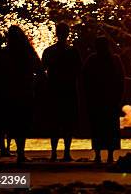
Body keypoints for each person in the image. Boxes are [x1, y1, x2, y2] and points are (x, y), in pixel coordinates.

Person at [0, 25, 43, 163]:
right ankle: (20, 153)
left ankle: (0, 150)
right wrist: (33, 84)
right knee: (22, 123)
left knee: (6, 122)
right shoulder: (28, 53)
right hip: (23, 92)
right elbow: (40, 70)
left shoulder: (4, 54)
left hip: (8, 93)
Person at [42, 22, 82, 162]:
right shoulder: (73, 51)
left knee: (55, 122)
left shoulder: (49, 51)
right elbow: (79, 71)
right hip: (68, 90)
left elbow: (43, 70)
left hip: (54, 90)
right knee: (67, 122)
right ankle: (66, 152)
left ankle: (54, 152)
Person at [82, 36, 124, 163]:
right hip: (111, 99)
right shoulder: (115, 59)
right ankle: (110, 154)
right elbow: (121, 80)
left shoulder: (92, 60)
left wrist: (87, 97)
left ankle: (98, 154)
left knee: (98, 127)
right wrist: (119, 97)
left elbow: (85, 79)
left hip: (96, 99)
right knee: (110, 127)